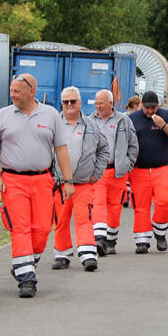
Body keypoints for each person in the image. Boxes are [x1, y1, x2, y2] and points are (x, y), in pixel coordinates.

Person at [0, 73, 74, 298]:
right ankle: (27, 279)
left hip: (43, 180)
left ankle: (23, 264)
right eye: (11, 90)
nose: (12, 94)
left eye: (17, 91)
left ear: (32, 92)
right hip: (13, 181)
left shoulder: (51, 114)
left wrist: (68, 180)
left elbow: (61, 149)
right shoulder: (2, 116)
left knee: (43, 229)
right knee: (21, 228)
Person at [51, 87, 109, 272]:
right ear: (61, 104)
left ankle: (88, 254)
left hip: (84, 182)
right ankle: (62, 254)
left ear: (80, 103)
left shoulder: (91, 125)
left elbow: (103, 150)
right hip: (60, 183)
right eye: (66, 102)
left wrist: (96, 173)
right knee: (60, 219)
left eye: (73, 101)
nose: (69, 105)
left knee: (84, 218)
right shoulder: (54, 124)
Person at [128, 90, 168, 253]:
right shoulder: (132, 119)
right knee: (140, 205)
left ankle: (160, 232)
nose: (150, 111)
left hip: (162, 167)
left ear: (158, 105)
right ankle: (142, 241)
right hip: (139, 169)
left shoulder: (167, 116)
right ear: (141, 105)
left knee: (165, 201)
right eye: (147, 108)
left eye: (153, 107)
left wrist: (163, 125)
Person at [89, 88, 138, 255]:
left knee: (115, 207)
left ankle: (111, 240)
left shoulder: (124, 121)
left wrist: (128, 164)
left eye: (101, 103)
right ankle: (99, 239)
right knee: (98, 203)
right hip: (98, 172)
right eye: (96, 103)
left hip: (118, 172)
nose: (98, 106)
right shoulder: (90, 121)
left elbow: (133, 145)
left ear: (111, 103)